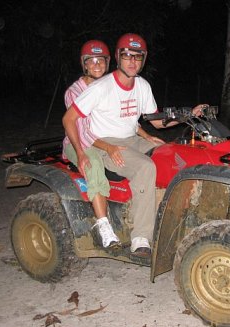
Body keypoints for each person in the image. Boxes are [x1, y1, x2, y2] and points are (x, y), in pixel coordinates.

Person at [63, 33, 207, 257]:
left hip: (133, 139)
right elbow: (69, 119)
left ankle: (171, 215)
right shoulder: (102, 87)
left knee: (173, 155)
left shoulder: (142, 86)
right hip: (107, 144)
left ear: (144, 59)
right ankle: (141, 238)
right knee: (145, 167)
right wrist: (84, 152)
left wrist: (188, 114)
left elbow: (157, 122)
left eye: (137, 57)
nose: (132, 62)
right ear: (118, 58)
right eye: (127, 56)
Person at [62, 39, 120, 249]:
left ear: (107, 62)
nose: (97, 64)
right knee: (93, 164)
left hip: (102, 139)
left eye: (101, 60)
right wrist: (80, 153)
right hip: (78, 142)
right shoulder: (74, 92)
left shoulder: (108, 86)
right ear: (84, 64)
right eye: (92, 60)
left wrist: (143, 134)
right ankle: (103, 226)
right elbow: (83, 131)